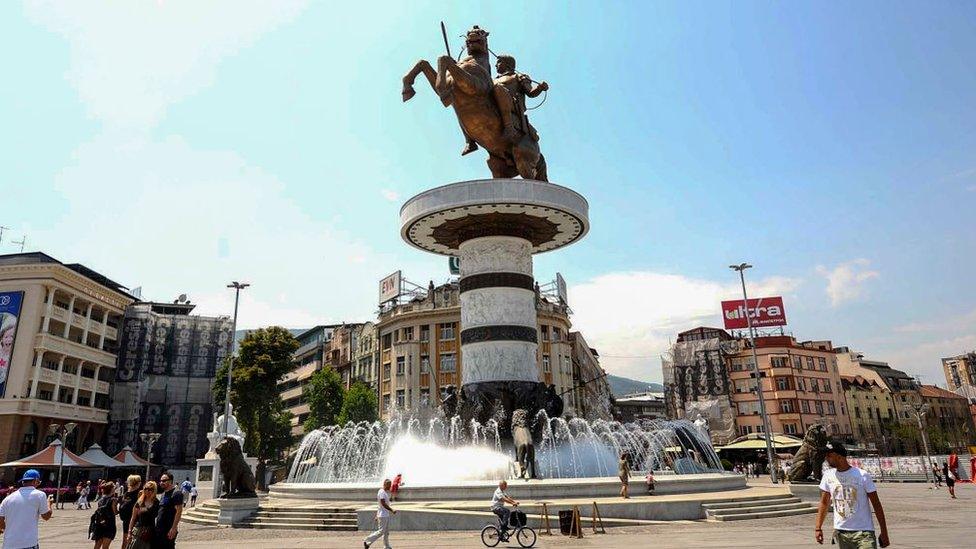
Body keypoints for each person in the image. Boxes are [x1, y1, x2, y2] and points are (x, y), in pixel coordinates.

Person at [815, 441, 889, 548]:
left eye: (829, 455)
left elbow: (876, 505)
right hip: (842, 533)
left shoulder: (862, 475)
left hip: (864, 532)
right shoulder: (828, 475)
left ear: (839, 457)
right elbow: (824, 503)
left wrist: (884, 532)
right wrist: (818, 527)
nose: (826, 458)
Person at [491, 55, 548, 145]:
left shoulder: (518, 76)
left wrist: (540, 88)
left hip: (512, 105)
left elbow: (531, 93)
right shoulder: (493, 80)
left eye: (499, 62)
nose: (495, 65)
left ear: (507, 64)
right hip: (494, 103)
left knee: (498, 88)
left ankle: (509, 127)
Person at [0, 469, 54, 549]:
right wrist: (49, 504)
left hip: (9, 544)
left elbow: (0, 520)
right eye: (39, 482)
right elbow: (46, 517)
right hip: (28, 544)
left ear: (23, 482)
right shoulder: (40, 495)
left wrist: (8, 528)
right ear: (36, 481)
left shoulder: (8, 498)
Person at [363, 478, 396, 549]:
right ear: (385, 484)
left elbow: (379, 506)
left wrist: (377, 514)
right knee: (381, 531)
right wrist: (391, 510)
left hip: (384, 514)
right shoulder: (381, 492)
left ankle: (386, 546)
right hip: (383, 515)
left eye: (390, 485)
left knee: (386, 532)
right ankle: (367, 540)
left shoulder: (384, 492)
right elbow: (383, 503)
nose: (390, 487)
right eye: (389, 485)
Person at [155, 473, 184, 549]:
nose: (161, 482)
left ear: (170, 481)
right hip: (160, 529)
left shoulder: (176, 493)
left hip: (168, 529)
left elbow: (179, 511)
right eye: (160, 481)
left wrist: (173, 528)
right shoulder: (164, 493)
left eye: (164, 480)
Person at [128, 481, 159, 549]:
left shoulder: (157, 503)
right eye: (145, 488)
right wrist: (129, 532)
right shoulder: (139, 502)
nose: (147, 491)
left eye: (150, 489)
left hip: (150, 532)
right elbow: (133, 518)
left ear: (154, 490)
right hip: (138, 530)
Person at [89, 481, 118, 549]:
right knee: (105, 547)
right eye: (114, 487)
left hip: (100, 524)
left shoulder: (101, 500)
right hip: (109, 524)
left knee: (97, 545)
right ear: (111, 489)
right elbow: (115, 512)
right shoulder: (113, 500)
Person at [119, 475, 142, 548]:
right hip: (135, 520)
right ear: (137, 483)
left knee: (125, 541)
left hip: (126, 520)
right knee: (133, 541)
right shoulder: (139, 493)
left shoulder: (126, 493)